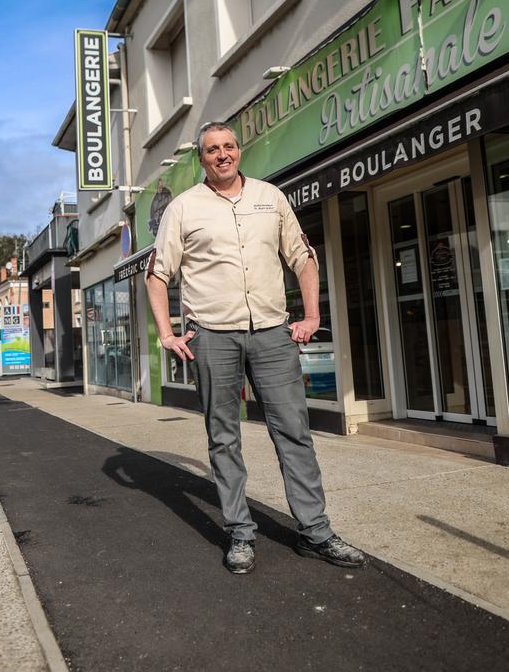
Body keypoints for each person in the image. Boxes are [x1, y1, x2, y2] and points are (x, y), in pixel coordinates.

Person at [146, 121, 365, 575]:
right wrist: (166, 333)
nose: (222, 154)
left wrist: (312, 316)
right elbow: (157, 273)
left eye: (228, 146)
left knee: (294, 433)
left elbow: (302, 256)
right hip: (212, 336)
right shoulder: (183, 208)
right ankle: (241, 534)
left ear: (238, 150)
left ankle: (315, 532)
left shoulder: (271, 197)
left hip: (271, 334)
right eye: (212, 149)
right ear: (201, 159)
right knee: (224, 437)